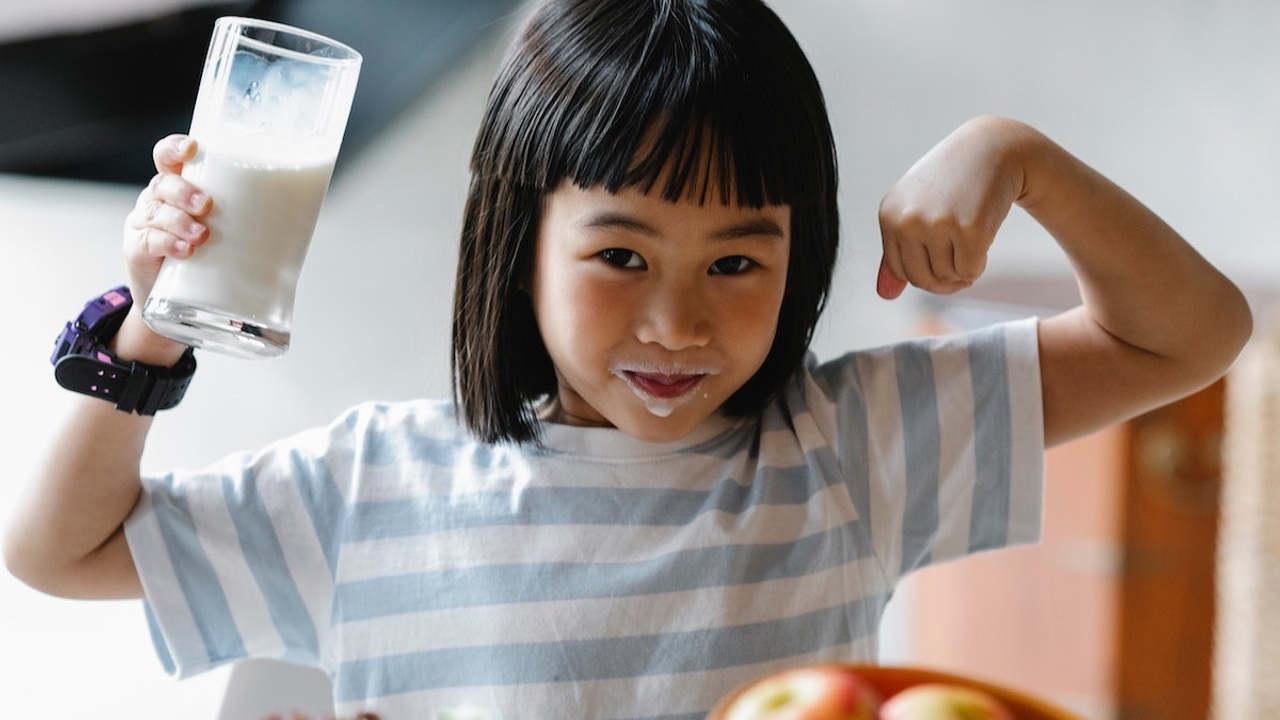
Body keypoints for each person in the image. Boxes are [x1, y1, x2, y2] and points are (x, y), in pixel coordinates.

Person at [4, 0, 1252, 718]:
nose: (676, 326)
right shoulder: (374, 482)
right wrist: (155, 326)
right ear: (517, 240)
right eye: (619, 257)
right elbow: (59, 552)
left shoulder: (850, 445)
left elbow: (1191, 332)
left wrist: (1013, 152)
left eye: (734, 263)